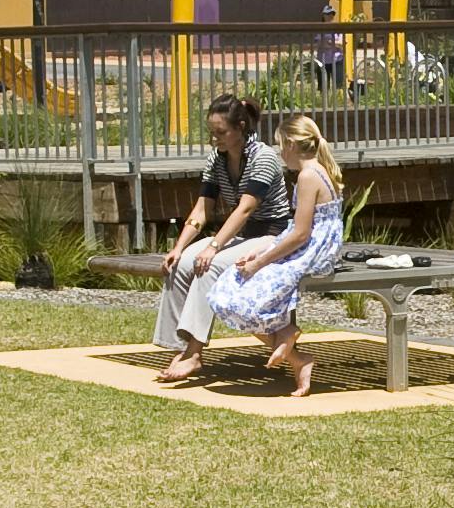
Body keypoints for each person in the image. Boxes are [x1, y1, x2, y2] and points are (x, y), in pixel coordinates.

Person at [148, 95, 286, 384]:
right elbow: (202, 207)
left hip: (271, 235)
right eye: (212, 133)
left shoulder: (264, 157)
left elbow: (245, 209)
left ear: (240, 127)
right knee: (181, 264)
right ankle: (179, 346)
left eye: (221, 133)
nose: (215, 139)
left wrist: (213, 246)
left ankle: (195, 353)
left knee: (207, 266)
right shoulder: (217, 158)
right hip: (241, 235)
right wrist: (178, 247)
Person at [212, 114, 348, 394]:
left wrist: (259, 263)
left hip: (311, 253)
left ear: (290, 144)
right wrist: (261, 251)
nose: (279, 153)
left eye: (279, 146)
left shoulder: (309, 176)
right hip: (314, 250)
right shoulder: (320, 170)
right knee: (228, 288)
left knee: (231, 295)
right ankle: (296, 356)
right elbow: (294, 230)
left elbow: (301, 234)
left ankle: (288, 340)